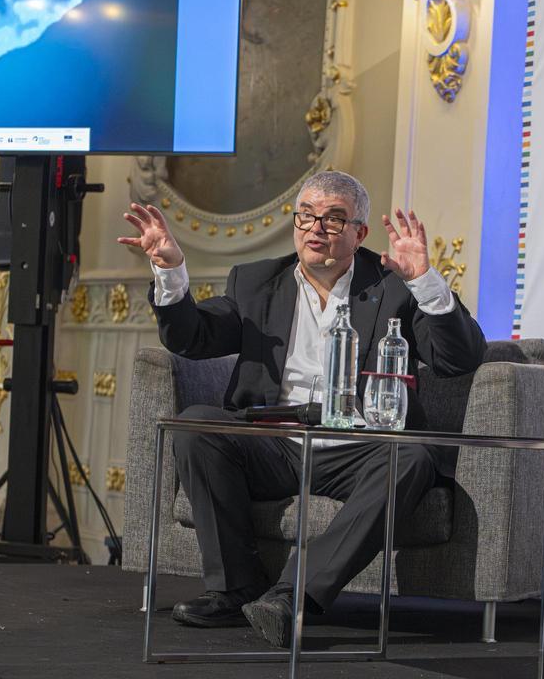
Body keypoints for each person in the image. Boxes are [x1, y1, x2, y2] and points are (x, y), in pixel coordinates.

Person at [118, 170, 486, 647]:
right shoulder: (256, 282)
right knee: (195, 425)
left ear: (359, 233)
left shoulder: (394, 287)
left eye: (334, 220)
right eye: (307, 216)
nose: (317, 229)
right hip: (273, 444)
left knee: (411, 457)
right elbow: (193, 338)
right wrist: (170, 271)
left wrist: (426, 282)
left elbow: (459, 359)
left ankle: (292, 597)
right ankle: (235, 590)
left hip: (359, 445)